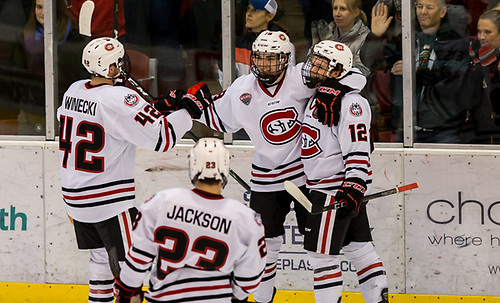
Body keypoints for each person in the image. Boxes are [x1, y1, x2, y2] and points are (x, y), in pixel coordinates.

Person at [57, 37, 211, 303]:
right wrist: (189, 109)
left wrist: (157, 108)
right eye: (119, 63)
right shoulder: (121, 97)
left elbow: (112, 120)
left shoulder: (74, 90)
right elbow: (163, 138)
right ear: (113, 69)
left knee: (101, 258)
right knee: (132, 274)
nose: (123, 66)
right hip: (108, 202)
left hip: (75, 198)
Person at [199, 30, 316, 302]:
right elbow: (219, 118)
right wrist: (188, 107)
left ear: (287, 59)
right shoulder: (242, 88)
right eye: (260, 58)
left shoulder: (302, 78)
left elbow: (352, 79)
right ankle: (263, 299)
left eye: (271, 59)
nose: (264, 64)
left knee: (317, 247)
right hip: (266, 178)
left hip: (305, 176)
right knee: (265, 246)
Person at [113, 137, 267, 303]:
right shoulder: (245, 219)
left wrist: (127, 289)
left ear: (193, 165)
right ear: (225, 168)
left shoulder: (161, 203)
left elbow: (139, 258)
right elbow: (248, 281)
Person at [300, 40, 388, 303]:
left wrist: (354, 184)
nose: (313, 68)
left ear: (337, 71)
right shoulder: (325, 95)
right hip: (329, 186)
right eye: (313, 61)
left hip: (334, 189)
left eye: (321, 64)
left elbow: (359, 147)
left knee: (321, 256)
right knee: (359, 249)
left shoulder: (350, 102)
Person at [19, 0, 83, 135]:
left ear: (57, 8)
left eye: (46, 7)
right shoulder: (27, 33)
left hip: (63, 109)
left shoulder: (72, 36)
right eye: (39, 7)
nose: (42, 12)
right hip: (31, 108)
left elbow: (77, 77)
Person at [309, 0, 371, 76]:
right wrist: (315, 44)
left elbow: (363, 73)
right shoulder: (326, 30)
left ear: (355, 12)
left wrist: (332, 48)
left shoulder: (365, 38)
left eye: (343, 9)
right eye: (335, 8)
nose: (337, 14)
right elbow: (308, 65)